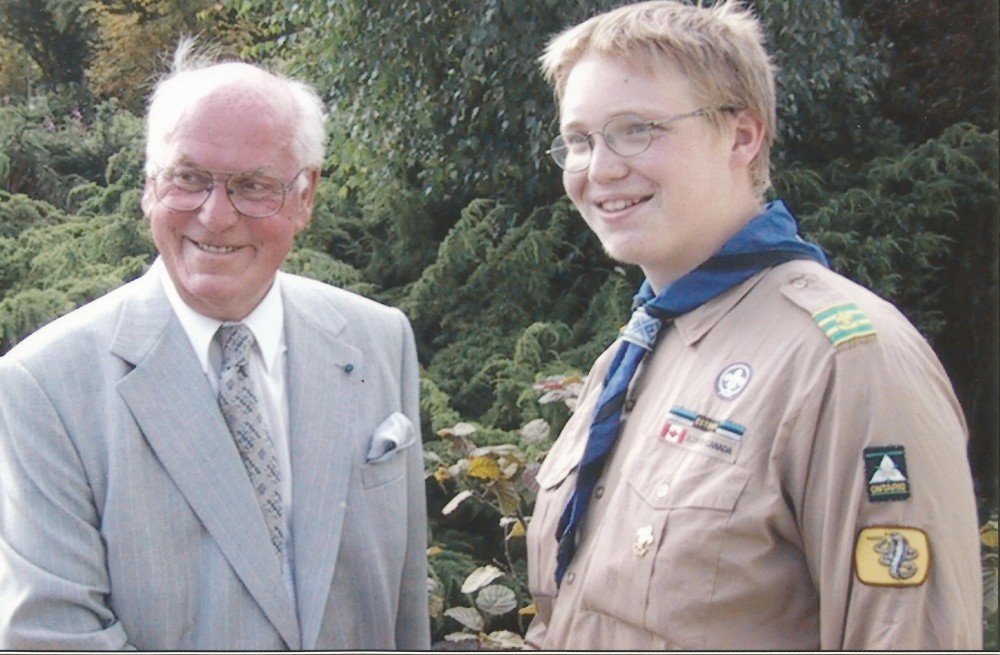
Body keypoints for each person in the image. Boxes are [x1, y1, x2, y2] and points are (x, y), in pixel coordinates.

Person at [524, 1, 983, 650]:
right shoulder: (638, 349)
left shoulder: (847, 362)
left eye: (636, 129)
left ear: (742, 136)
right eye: (579, 139)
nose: (599, 169)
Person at [0, 40, 430, 650]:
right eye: (189, 178)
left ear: (305, 196)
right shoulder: (44, 386)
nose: (216, 214)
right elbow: (52, 637)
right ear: (150, 187)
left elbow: (406, 612)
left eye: (254, 186)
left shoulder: (379, 339)